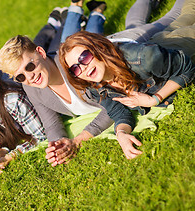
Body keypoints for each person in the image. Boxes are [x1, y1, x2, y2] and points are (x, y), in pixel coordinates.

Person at [0, 0, 187, 165]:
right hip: (119, 46)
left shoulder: (77, 68)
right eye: (21, 76)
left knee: (172, 18)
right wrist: (59, 145)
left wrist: (81, 138)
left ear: (40, 52)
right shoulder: (33, 89)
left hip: (121, 48)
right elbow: (51, 123)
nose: (30, 76)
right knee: (135, 23)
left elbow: (113, 105)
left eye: (30, 66)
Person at [58, 31, 195, 159]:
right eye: (75, 68)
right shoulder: (95, 84)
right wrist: (121, 134)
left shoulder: (143, 58)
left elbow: (187, 68)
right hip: (158, 45)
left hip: (183, 43)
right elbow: (118, 112)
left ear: (98, 48)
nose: (83, 68)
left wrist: (154, 99)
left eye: (84, 57)